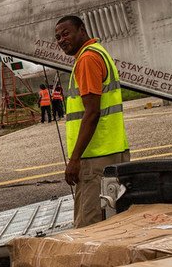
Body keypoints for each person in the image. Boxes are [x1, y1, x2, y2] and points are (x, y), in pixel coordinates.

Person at [54, 15, 129, 228]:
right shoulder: (99, 52)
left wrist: (75, 159)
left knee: (90, 225)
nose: (61, 40)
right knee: (114, 221)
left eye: (66, 33)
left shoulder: (87, 59)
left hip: (96, 158)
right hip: (113, 150)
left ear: (82, 30)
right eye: (58, 37)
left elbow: (92, 112)